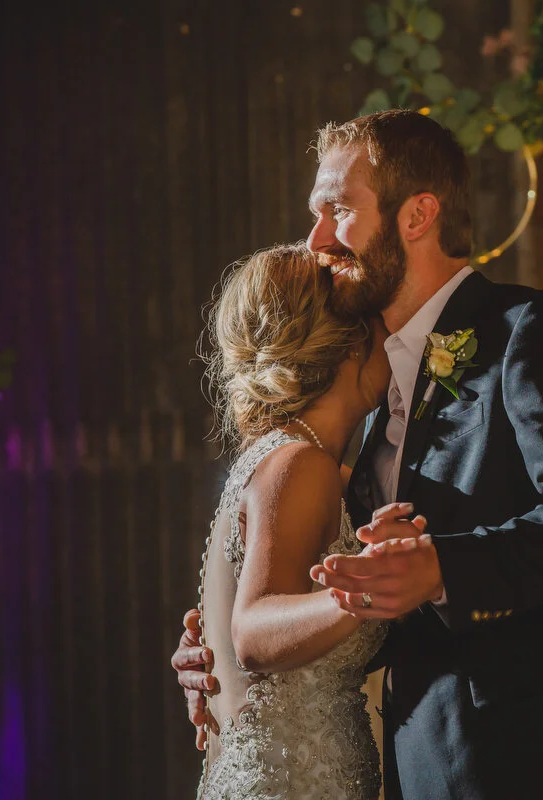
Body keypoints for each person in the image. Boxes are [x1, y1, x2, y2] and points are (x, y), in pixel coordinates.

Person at [173, 109, 543, 800]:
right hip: (416, 770)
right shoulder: (359, 401)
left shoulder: (537, 332)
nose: (316, 240)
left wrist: (442, 570)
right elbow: (332, 593)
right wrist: (222, 660)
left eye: (338, 210)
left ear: (418, 214)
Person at [190, 241, 395, 798]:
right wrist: (375, 587)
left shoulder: (294, 458)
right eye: (382, 324)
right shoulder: (299, 464)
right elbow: (253, 632)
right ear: (353, 342)